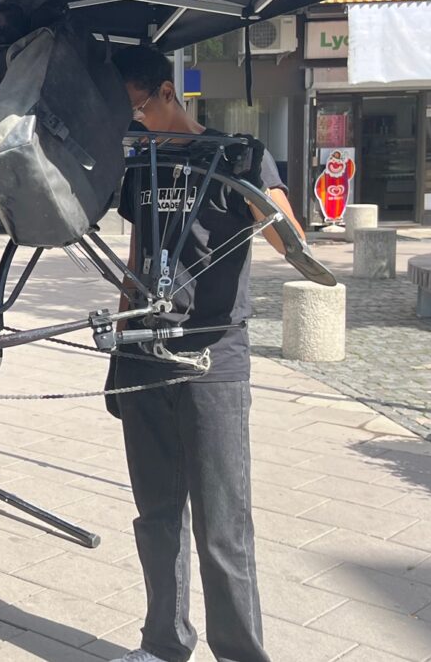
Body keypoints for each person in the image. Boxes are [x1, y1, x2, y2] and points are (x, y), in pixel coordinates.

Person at [106, 46, 303, 662]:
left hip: (215, 352)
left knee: (223, 524)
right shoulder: (142, 160)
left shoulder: (237, 150)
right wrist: (119, 334)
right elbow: (139, 249)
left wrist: (251, 184)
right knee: (155, 514)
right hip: (145, 348)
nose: (135, 122)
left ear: (167, 92)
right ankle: (164, 643)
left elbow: (287, 239)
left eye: (139, 109)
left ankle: (242, 654)